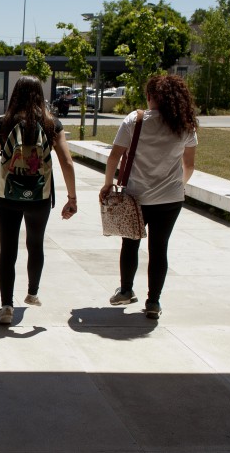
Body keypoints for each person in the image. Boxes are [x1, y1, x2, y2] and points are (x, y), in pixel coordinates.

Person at [0, 75, 77, 325]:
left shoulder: (4, 123)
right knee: (35, 243)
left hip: (7, 194)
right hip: (40, 195)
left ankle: (6, 306)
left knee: (8, 250)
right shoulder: (52, 124)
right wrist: (72, 197)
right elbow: (67, 162)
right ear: (40, 94)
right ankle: (32, 292)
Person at [99, 74, 197, 319]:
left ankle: (126, 290)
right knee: (159, 248)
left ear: (151, 96)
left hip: (136, 197)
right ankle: (153, 302)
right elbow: (190, 165)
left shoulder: (135, 119)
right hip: (171, 199)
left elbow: (114, 157)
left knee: (130, 243)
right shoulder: (186, 124)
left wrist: (108, 184)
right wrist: (177, 186)